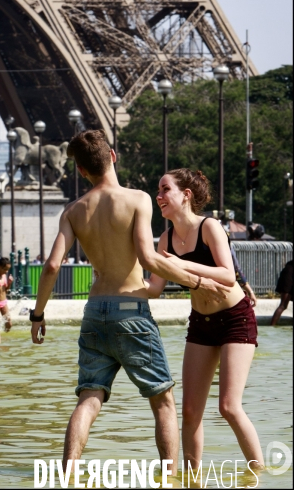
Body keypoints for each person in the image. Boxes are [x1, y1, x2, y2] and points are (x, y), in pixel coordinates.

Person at [30, 130, 232, 474]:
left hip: (94, 312)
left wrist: (38, 314)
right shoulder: (137, 199)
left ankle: (68, 474)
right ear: (113, 155)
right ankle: (169, 477)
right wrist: (199, 280)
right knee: (163, 402)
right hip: (130, 311)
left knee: (89, 397)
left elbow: (51, 266)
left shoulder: (73, 210)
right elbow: (149, 259)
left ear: (80, 170)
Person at [147, 168, 264, 469]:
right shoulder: (165, 240)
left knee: (228, 406)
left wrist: (182, 268)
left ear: (185, 194)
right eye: (158, 191)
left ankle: (258, 474)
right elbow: (153, 289)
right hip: (201, 323)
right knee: (189, 410)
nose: (158, 196)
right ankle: (192, 479)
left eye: (165, 190)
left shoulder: (209, 227)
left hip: (235, 318)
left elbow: (227, 275)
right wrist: (114, 280)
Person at [0, 257, 13, 331]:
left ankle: (5, 336)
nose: (7, 271)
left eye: (8, 269)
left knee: (9, 324)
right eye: (5, 269)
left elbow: (5, 291)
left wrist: (10, 283)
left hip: (3, 302)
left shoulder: (4, 276)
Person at [270, 260, 293, 325]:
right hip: (288, 278)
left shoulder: (289, 266)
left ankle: (271, 326)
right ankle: (272, 326)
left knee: (282, 305)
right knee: (283, 305)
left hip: (287, 276)